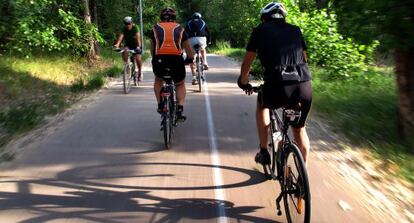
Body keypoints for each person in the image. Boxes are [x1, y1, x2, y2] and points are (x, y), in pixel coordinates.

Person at [237, 2, 312, 165]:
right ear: (283, 17)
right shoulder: (296, 30)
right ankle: (302, 177)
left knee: (262, 105)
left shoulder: (259, 31)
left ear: (264, 18)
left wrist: (243, 81)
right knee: (299, 130)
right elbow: (305, 58)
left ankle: (264, 152)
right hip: (303, 84)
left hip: (278, 84)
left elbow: (247, 62)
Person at [149, 7, 194, 121]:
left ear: (161, 18)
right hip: (176, 60)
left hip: (159, 59)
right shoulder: (180, 29)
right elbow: (188, 48)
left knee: (159, 80)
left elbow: (152, 49)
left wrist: (155, 58)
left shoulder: (154, 28)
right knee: (179, 84)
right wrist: (190, 58)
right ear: (174, 17)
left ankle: (160, 104)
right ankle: (179, 109)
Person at [114, 16, 143, 83]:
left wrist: (138, 46)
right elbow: (121, 36)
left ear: (132, 23)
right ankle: (127, 65)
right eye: (126, 24)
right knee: (124, 51)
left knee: (138, 59)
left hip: (136, 45)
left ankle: (140, 72)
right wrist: (117, 44)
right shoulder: (124, 29)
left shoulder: (135, 27)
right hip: (128, 45)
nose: (128, 25)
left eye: (129, 23)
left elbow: (138, 37)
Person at [185, 12, 211, 85]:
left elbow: (185, 33)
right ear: (200, 17)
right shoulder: (203, 22)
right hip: (201, 39)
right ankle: (205, 62)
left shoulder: (189, 22)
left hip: (191, 40)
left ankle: (194, 77)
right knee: (202, 49)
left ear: (193, 17)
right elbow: (208, 33)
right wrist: (209, 41)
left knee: (191, 57)